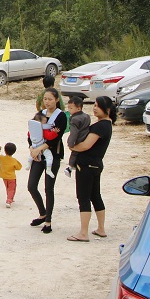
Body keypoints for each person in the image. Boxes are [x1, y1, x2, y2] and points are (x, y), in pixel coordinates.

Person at [67, 96, 114, 242]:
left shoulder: (100, 126)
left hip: (86, 165)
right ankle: (101, 229)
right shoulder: (106, 124)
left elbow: (86, 145)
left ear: (107, 110)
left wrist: (72, 147)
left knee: (83, 198)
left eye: (98, 106)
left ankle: (83, 233)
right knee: (95, 196)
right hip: (96, 164)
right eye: (94, 105)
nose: (94, 108)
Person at [27, 88, 67, 233]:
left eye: (50, 99)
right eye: (45, 99)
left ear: (57, 100)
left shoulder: (60, 116)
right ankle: (42, 213)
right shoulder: (41, 114)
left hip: (53, 155)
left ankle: (48, 221)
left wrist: (40, 149)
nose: (47, 101)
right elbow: (31, 133)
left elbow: (56, 138)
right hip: (38, 154)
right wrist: (32, 148)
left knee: (48, 189)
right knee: (31, 186)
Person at [63, 95, 91, 178]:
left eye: (71, 108)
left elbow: (74, 133)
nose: (69, 110)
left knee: (74, 153)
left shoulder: (74, 119)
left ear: (78, 108)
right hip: (86, 138)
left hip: (78, 139)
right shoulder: (87, 116)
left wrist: (70, 143)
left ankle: (70, 167)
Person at [26, 110, 56, 179]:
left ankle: (28, 165)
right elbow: (49, 136)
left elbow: (29, 136)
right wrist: (54, 133)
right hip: (43, 147)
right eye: (44, 122)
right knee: (49, 157)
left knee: (31, 156)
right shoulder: (43, 130)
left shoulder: (32, 130)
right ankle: (48, 169)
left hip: (34, 146)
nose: (45, 124)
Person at [0, 142, 23, 208]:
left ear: (5, 150)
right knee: (12, 189)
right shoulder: (14, 160)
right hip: (11, 177)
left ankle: (9, 197)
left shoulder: (2, 158)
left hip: (4, 177)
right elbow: (19, 167)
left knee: (7, 188)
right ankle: (9, 200)